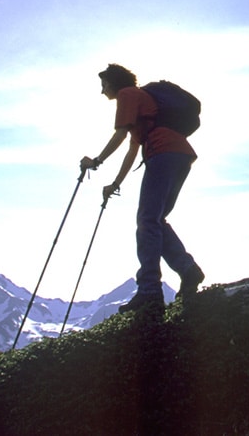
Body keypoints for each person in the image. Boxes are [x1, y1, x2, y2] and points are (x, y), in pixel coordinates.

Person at [80, 64, 205, 313]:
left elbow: (120, 136)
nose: (102, 91)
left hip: (163, 153)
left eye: (103, 85)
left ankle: (149, 291)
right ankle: (188, 271)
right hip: (180, 155)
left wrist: (96, 161)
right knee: (156, 219)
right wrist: (115, 184)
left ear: (114, 83)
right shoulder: (144, 105)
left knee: (147, 221)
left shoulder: (128, 95)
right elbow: (132, 148)